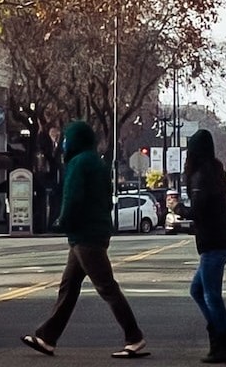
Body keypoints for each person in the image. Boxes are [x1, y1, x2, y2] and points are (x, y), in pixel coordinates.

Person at [21, 120, 147, 359]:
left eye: (68, 138)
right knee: (68, 287)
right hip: (93, 231)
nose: (65, 143)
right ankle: (47, 337)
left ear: (76, 140)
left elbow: (73, 196)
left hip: (85, 234)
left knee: (106, 286)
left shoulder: (79, 163)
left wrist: (62, 221)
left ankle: (134, 336)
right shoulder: (96, 162)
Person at [184, 129, 226, 363]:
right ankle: (218, 337)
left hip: (214, 243)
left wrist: (177, 209)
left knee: (211, 295)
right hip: (220, 240)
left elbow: (199, 211)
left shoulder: (201, 176)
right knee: (198, 291)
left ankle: (224, 345)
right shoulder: (216, 171)